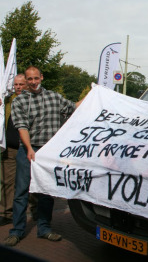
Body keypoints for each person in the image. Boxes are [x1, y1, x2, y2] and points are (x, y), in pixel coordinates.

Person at [4, 66, 83, 247]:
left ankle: (44, 228)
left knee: (46, 192)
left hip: (49, 151)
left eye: (35, 79)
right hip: (28, 150)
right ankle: (16, 230)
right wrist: (29, 147)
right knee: (22, 191)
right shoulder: (20, 101)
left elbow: (73, 107)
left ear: (41, 77)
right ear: (27, 79)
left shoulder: (54, 97)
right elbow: (22, 127)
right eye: (29, 79)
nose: (32, 82)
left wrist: (94, 93)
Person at [0, 74, 26, 226]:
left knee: (29, 181)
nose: (18, 87)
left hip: (27, 148)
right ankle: (5, 213)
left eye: (21, 84)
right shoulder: (7, 101)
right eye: (16, 84)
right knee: (7, 182)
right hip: (9, 148)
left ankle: (35, 210)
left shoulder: (32, 100)